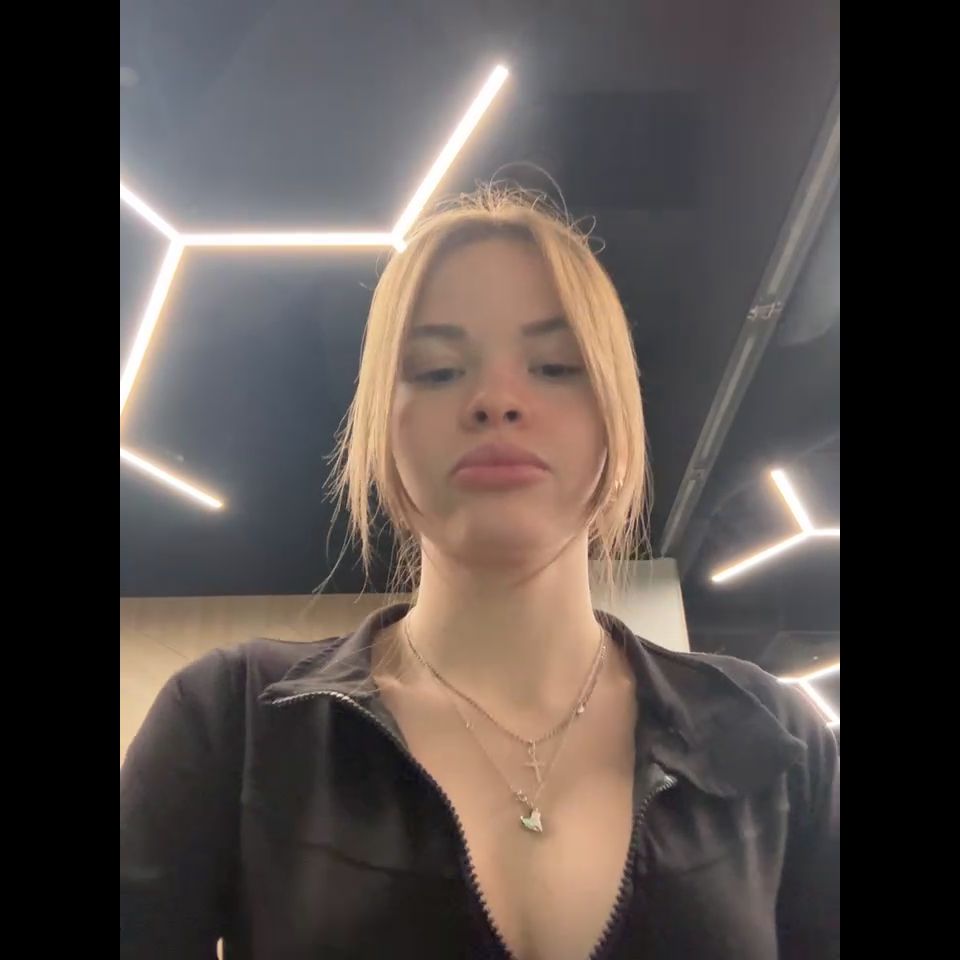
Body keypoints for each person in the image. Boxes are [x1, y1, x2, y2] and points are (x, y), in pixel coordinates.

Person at [120, 186, 839, 960]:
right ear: (382, 427)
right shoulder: (237, 721)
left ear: (615, 416)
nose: (496, 400)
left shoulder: (775, 740)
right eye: (435, 371)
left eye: (555, 366)